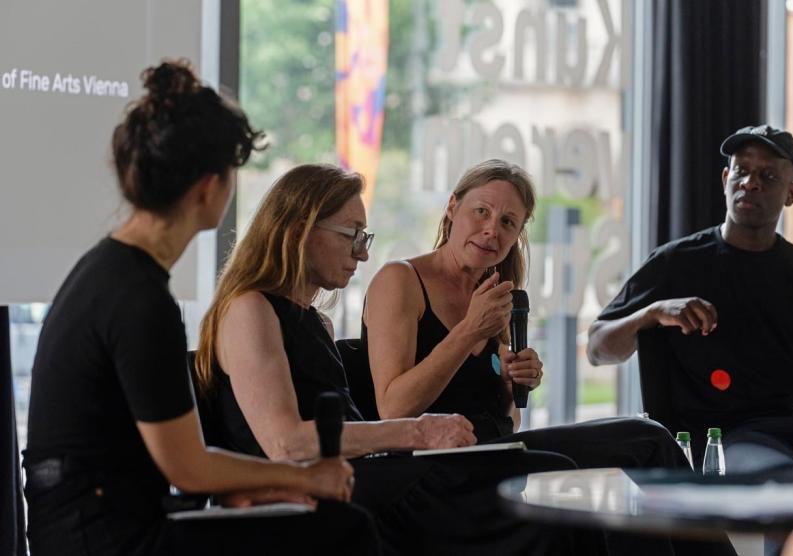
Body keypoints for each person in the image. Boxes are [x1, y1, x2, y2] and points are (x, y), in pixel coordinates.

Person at [22, 60, 377, 556]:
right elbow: (187, 468)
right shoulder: (140, 297)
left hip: (89, 522)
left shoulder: (110, 270)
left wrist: (260, 486)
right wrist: (307, 478)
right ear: (209, 187)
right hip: (104, 537)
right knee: (347, 529)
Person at [195, 162, 600, 555]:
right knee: (552, 498)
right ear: (301, 230)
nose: (362, 254)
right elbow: (287, 443)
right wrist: (417, 433)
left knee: (562, 486)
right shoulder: (250, 309)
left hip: (361, 479)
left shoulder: (317, 323)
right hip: (313, 496)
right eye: (352, 235)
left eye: (364, 238)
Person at [363, 159, 738, 556]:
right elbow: (393, 408)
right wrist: (469, 331)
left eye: (508, 222)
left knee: (648, 439)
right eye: (481, 211)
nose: (492, 229)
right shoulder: (401, 279)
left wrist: (510, 387)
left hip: (496, 452)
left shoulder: (493, 292)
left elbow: (508, 422)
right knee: (578, 480)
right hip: (430, 472)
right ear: (453, 207)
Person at [587, 124, 793, 475]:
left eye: (767, 176)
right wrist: (652, 313)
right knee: (773, 475)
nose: (750, 183)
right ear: (725, 179)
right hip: (716, 442)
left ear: (791, 193)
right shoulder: (674, 263)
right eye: (741, 171)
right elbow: (597, 348)